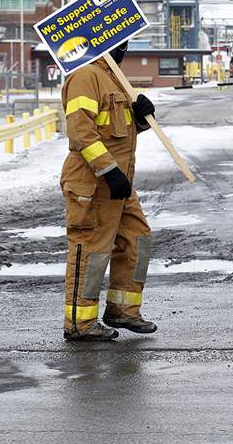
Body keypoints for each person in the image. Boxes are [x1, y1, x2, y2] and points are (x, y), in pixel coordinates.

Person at [60, 42, 158, 341]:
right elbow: (80, 130)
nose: (124, 49)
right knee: (91, 249)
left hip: (119, 183)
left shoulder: (114, 78)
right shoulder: (85, 76)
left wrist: (141, 119)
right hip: (93, 182)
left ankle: (122, 310)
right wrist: (108, 169)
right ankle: (80, 321)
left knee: (137, 239)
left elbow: (116, 128)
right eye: (121, 43)